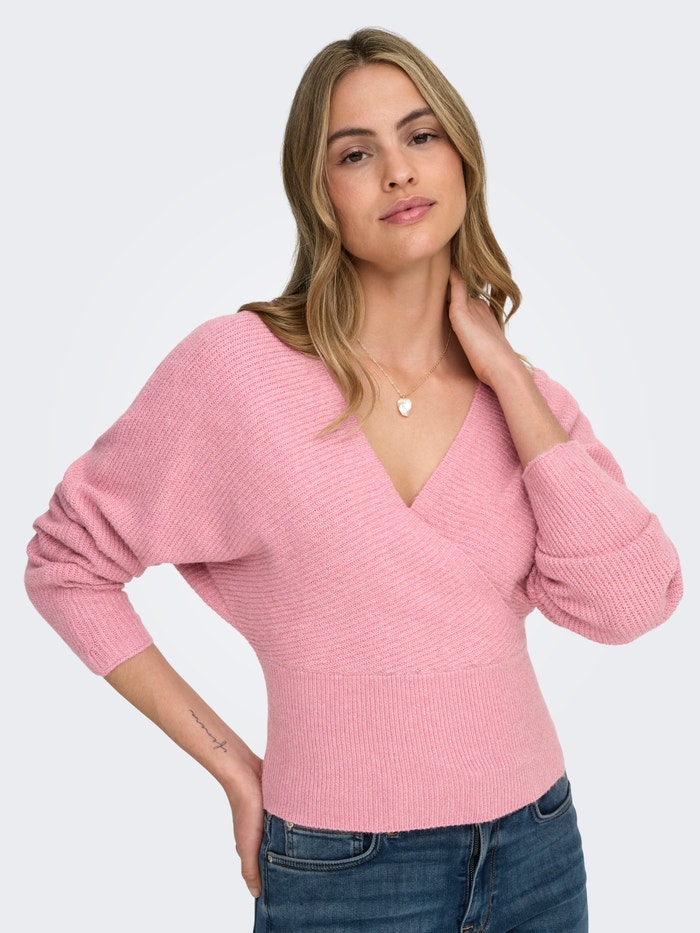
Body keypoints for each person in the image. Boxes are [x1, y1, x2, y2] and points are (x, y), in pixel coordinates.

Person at [25, 27, 682, 933]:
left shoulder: (531, 404)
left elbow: (633, 603)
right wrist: (233, 765)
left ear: (462, 158)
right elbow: (67, 562)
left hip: (537, 849)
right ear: (319, 192)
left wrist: (508, 376)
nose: (398, 171)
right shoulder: (237, 373)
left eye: (421, 135)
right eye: (356, 153)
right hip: (343, 870)